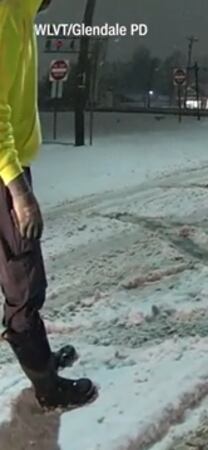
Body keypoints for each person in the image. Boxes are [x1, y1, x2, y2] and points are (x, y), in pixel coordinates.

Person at [0, 0, 96, 409]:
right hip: (5, 173)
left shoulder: (20, 10)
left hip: (8, 167)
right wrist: (19, 190)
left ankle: (42, 364)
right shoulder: (6, 12)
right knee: (23, 281)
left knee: (21, 276)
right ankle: (47, 387)